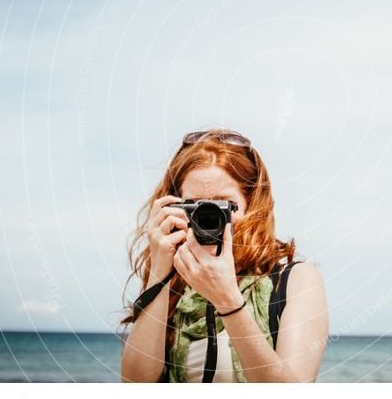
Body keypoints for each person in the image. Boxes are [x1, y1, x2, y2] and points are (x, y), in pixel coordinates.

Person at [120, 128, 328, 382]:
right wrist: (159, 274)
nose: (208, 217)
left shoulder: (294, 280)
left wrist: (227, 300)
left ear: (253, 205)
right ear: (174, 205)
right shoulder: (173, 278)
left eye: (224, 205)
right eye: (194, 204)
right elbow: (135, 383)